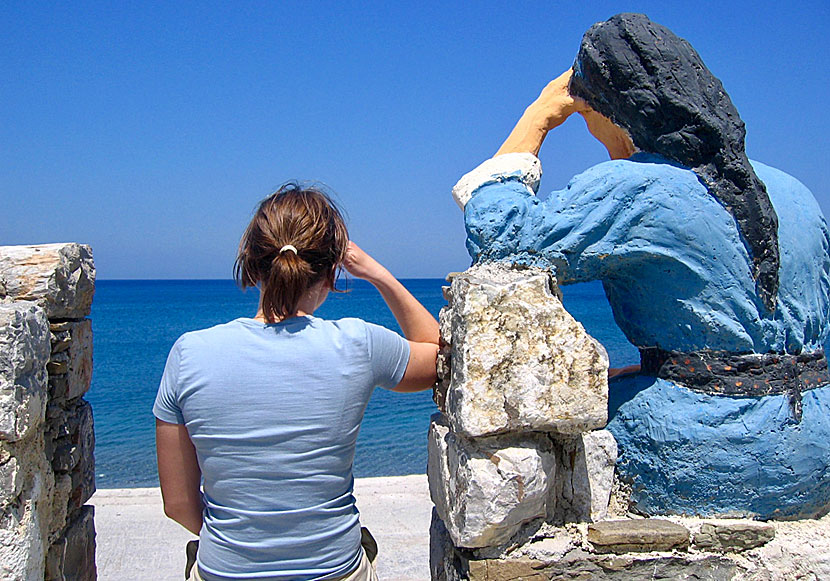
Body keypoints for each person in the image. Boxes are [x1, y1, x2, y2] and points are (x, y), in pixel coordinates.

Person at [453, 14, 830, 518]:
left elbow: (500, 235)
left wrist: (539, 114)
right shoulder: (797, 193)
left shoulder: (634, 187)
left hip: (714, 455)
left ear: (608, 108)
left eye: (587, 113)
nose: (588, 129)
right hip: (817, 445)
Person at [153, 184, 440, 580]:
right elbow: (439, 353)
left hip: (226, 571)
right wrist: (377, 273)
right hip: (333, 571)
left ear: (252, 266)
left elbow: (180, 505)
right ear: (331, 270)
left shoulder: (189, 353)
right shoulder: (358, 343)